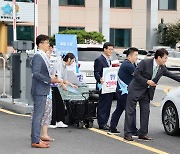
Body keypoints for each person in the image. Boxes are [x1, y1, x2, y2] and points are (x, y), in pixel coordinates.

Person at [124, 48, 180, 141]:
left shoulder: (162, 68)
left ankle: (142, 134)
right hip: (135, 89)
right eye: (165, 58)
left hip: (147, 92)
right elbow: (136, 74)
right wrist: (147, 81)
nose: (166, 60)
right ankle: (128, 134)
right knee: (130, 112)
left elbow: (172, 75)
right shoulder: (145, 63)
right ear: (158, 57)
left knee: (146, 112)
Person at [31, 34, 61, 148]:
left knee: (40, 115)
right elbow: (36, 73)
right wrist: (49, 79)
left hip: (43, 89)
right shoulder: (38, 56)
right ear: (40, 44)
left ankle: (37, 138)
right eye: (47, 43)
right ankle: (35, 140)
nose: (49, 45)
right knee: (38, 116)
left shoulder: (43, 56)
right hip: (40, 89)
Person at [108, 48, 139, 135]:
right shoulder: (128, 65)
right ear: (129, 56)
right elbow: (138, 76)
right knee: (131, 111)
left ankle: (112, 128)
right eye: (135, 55)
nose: (137, 57)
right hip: (125, 92)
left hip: (122, 91)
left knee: (119, 109)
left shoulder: (129, 64)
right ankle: (133, 130)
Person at [49, 53, 78, 128]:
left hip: (58, 86)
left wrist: (71, 85)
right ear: (69, 59)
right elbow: (57, 77)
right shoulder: (58, 65)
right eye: (72, 61)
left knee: (60, 104)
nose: (72, 63)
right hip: (52, 85)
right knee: (54, 104)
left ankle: (59, 121)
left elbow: (64, 79)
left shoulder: (65, 67)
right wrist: (63, 85)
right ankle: (52, 122)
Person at [94, 42, 114, 130]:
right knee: (103, 104)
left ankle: (105, 122)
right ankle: (101, 123)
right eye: (109, 49)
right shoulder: (99, 59)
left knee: (108, 104)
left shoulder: (109, 60)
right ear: (105, 49)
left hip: (109, 85)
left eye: (112, 49)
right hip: (102, 85)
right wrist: (99, 78)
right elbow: (96, 72)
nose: (111, 51)